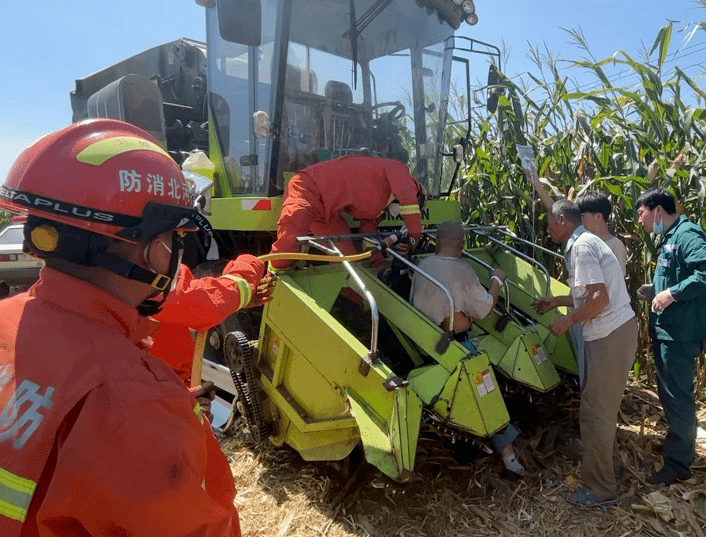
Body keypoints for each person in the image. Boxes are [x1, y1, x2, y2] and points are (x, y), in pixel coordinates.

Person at [0, 119, 242, 537]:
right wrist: (156, 414)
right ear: (152, 250)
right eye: (173, 238)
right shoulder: (133, 402)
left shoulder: (8, 318)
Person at [533, 200, 637, 508]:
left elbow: (598, 299)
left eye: (550, 223)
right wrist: (558, 301)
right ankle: (610, 469)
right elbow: (588, 292)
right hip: (614, 332)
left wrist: (568, 320)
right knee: (599, 411)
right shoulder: (587, 242)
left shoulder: (581, 248)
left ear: (563, 220)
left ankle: (601, 490)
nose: (547, 229)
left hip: (608, 335)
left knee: (595, 414)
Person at [410, 221, 524, 476]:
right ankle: (510, 459)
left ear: (437, 242)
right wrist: (496, 280)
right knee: (486, 389)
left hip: (427, 344)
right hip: (455, 347)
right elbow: (484, 309)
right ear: (462, 245)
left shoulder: (423, 266)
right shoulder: (463, 270)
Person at [636, 188, 706, 486]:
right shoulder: (670, 238)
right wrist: (657, 289)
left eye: (642, 213)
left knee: (678, 399)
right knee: (672, 396)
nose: (640, 221)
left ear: (658, 210)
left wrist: (672, 293)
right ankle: (679, 452)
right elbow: (681, 275)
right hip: (668, 332)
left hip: (680, 335)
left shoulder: (687, 235)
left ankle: (677, 466)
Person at [270, 155, 426, 268]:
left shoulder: (379, 209)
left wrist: (380, 264)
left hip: (328, 215)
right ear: (416, 191)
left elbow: (368, 234)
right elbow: (406, 194)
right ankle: (271, 282)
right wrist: (414, 237)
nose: (400, 215)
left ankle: (353, 307)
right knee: (287, 245)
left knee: (348, 267)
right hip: (306, 187)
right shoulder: (398, 169)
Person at [151, 255, 275, 385]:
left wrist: (238, 301)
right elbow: (201, 306)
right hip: (158, 384)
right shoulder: (147, 277)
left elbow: (181, 314)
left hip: (164, 381)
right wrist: (247, 268)